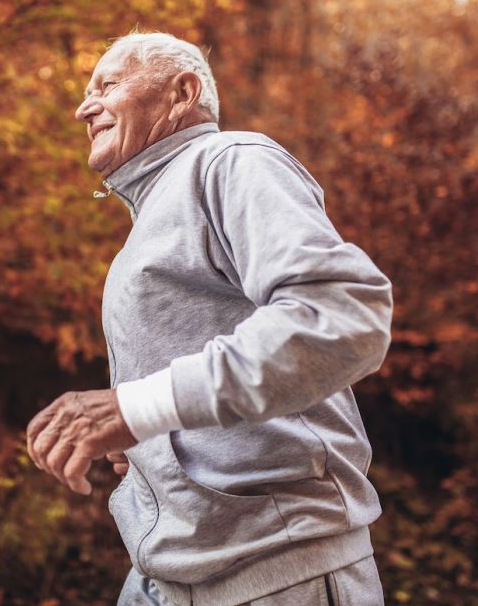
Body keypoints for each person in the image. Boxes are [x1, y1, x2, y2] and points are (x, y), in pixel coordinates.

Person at [26, 32, 393, 606]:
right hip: (167, 578)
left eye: (108, 84)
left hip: (277, 570)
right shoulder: (153, 213)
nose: (83, 107)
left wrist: (138, 407)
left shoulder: (231, 162)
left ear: (182, 92)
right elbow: (199, 387)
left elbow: (342, 315)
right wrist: (153, 439)